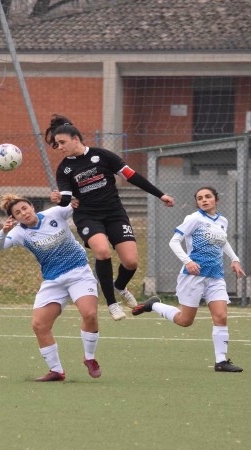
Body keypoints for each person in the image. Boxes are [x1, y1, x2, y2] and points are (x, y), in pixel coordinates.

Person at [45, 114, 175, 321]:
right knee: (103, 251)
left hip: (114, 214)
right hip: (88, 216)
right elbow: (67, 199)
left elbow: (132, 176)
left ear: (76, 139)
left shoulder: (103, 156)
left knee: (131, 262)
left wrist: (161, 195)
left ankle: (120, 286)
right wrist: (59, 198)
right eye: (57, 144)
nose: (59, 147)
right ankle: (112, 303)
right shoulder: (65, 168)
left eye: (62, 142)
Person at [131, 186, 245, 372]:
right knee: (185, 320)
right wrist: (188, 261)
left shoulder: (222, 221)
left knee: (221, 316)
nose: (204, 200)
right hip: (193, 276)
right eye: (200, 198)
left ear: (216, 200)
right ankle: (153, 305)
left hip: (215, 276)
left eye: (208, 197)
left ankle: (221, 361)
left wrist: (235, 259)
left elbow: (223, 241)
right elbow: (174, 241)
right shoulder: (194, 219)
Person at [0, 193, 103, 381]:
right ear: (14, 218)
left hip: (78, 273)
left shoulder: (54, 213)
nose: (24, 214)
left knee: (90, 314)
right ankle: (56, 371)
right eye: (18, 213)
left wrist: (65, 196)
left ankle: (90, 358)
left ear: (32, 206)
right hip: (53, 281)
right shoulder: (19, 232)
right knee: (39, 325)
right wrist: (3, 231)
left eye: (25, 208)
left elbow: (76, 203)